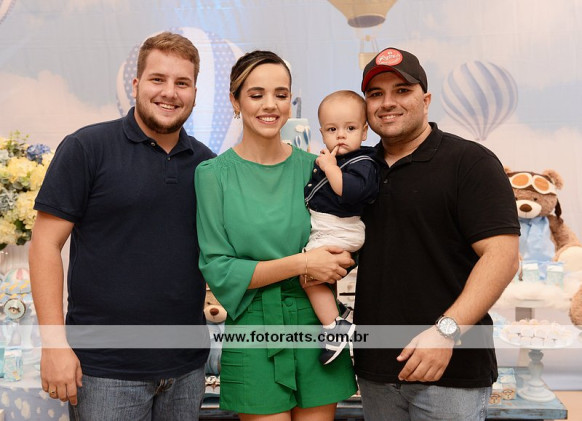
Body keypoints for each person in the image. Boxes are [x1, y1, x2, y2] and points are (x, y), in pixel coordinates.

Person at [29, 32, 214, 420]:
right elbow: (44, 244)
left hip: (187, 368)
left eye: (182, 83)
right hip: (104, 372)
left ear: (195, 93)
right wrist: (54, 344)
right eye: (157, 79)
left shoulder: (208, 164)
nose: (169, 92)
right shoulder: (87, 148)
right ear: (136, 84)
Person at [353, 47, 520, 420]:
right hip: (376, 369)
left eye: (402, 90)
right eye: (376, 94)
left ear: (425, 100)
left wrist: (446, 333)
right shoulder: (357, 170)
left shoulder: (470, 162)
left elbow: (503, 257)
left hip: (453, 370)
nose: (387, 102)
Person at [195, 50, 358, 420]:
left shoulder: (317, 168)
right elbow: (219, 269)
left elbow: (344, 236)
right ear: (235, 101)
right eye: (256, 94)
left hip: (319, 327)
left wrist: (340, 260)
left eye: (281, 94)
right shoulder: (213, 175)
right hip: (254, 327)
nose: (270, 105)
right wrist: (304, 263)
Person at [303, 90, 378, 365]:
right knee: (310, 278)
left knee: (308, 274)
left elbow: (347, 190)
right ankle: (339, 314)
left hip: (341, 229)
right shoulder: (338, 160)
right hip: (330, 228)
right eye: (332, 129)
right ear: (322, 132)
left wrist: (329, 167)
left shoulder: (363, 162)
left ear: (365, 131)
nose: (341, 136)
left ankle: (335, 326)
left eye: (350, 128)